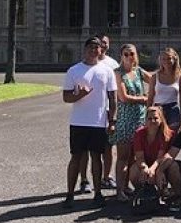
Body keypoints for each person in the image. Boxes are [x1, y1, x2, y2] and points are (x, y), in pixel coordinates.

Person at [62, 36, 118, 208]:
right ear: (85, 49)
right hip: (79, 122)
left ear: (101, 50)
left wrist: (112, 120)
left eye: (97, 48)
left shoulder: (107, 71)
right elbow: (66, 97)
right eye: (91, 47)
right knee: (76, 158)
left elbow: (113, 97)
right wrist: (80, 95)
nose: (94, 50)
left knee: (96, 157)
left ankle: (98, 193)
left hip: (98, 121)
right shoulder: (74, 71)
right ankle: (70, 194)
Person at [78, 33, 120, 192]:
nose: (101, 46)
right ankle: (84, 180)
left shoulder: (112, 64)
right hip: (87, 115)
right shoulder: (83, 65)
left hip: (107, 113)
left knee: (107, 148)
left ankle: (106, 177)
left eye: (104, 43)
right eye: (99, 44)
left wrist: (113, 117)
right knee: (85, 151)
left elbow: (115, 92)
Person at [109, 43, 148, 201]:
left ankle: (126, 187)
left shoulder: (138, 71)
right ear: (121, 56)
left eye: (131, 54)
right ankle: (119, 192)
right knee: (123, 157)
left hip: (140, 119)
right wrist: (144, 99)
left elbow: (156, 80)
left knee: (134, 156)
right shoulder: (118, 73)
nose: (129, 57)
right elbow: (123, 97)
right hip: (126, 120)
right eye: (125, 54)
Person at [131, 106, 173, 195]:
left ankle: (163, 192)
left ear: (161, 119)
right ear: (145, 120)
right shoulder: (139, 134)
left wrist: (152, 169)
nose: (152, 121)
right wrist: (145, 168)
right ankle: (142, 191)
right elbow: (139, 157)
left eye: (155, 118)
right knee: (134, 171)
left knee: (162, 173)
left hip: (161, 164)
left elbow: (160, 158)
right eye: (149, 118)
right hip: (146, 162)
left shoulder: (166, 134)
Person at [147, 47, 181, 131]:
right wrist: (147, 114)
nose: (166, 61)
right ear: (160, 61)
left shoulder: (180, 77)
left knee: (173, 136)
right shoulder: (155, 76)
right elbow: (150, 97)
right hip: (158, 108)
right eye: (163, 59)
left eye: (169, 58)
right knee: (158, 135)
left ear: (174, 59)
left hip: (173, 109)